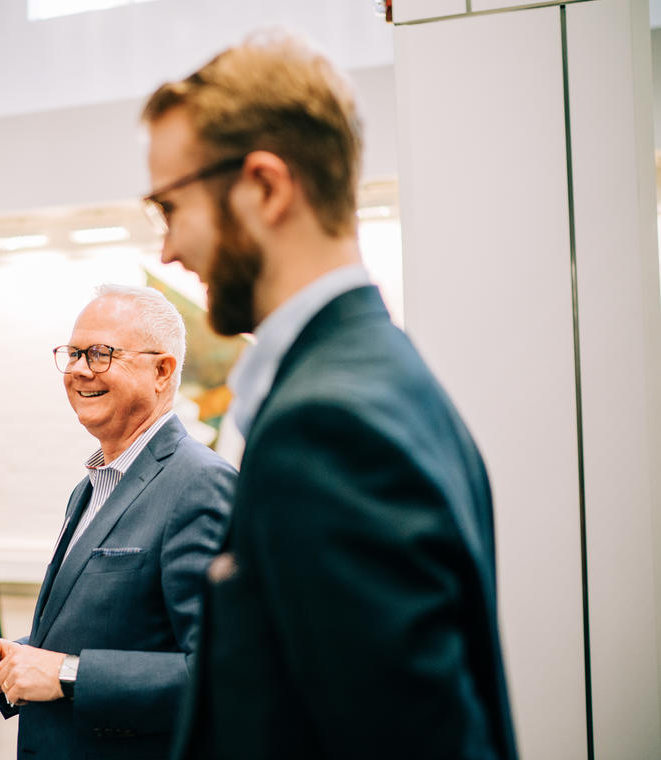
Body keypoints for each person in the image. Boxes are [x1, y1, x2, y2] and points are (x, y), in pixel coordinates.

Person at [141, 32, 518, 760]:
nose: (167, 251)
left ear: (265, 187)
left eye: (169, 207)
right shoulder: (386, 373)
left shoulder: (328, 427)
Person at [0, 284, 236, 759]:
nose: (77, 369)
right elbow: (112, 628)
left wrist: (66, 673)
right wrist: (18, 656)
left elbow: (225, 674)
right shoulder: (92, 486)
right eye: (72, 353)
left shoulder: (200, 484)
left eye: (99, 354)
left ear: (162, 370)